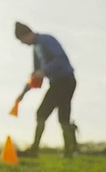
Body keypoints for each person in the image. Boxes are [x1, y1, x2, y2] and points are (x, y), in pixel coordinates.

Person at [14, 21, 77, 158]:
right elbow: (36, 74)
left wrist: (45, 71)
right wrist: (23, 93)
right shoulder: (36, 49)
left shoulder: (47, 40)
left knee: (47, 114)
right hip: (56, 83)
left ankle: (37, 150)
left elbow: (61, 58)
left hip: (65, 80)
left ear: (27, 34)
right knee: (57, 117)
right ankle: (68, 152)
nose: (22, 43)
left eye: (21, 40)